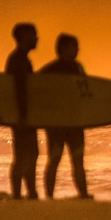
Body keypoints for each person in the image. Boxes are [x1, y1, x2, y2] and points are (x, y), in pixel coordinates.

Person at [41, 33, 92, 199]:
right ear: (63, 48)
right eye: (74, 46)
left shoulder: (77, 67)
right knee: (55, 160)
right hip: (57, 125)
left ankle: (83, 194)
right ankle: (49, 196)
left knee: (77, 161)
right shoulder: (50, 71)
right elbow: (38, 94)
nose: (78, 50)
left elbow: (86, 93)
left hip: (74, 123)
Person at [5, 22, 40, 199]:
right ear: (24, 37)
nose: (37, 38)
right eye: (33, 34)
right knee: (25, 154)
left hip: (22, 114)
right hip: (21, 115)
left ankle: (27, 192)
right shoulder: (18, 60)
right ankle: (20, 194)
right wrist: (23, 116)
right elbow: (19, 90)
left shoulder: (21, 59)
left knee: (28, 153)